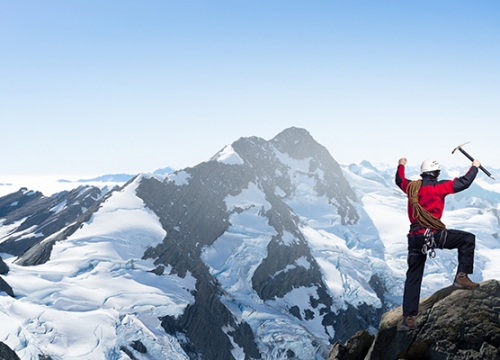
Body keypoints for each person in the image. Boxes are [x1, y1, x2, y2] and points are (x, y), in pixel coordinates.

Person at [395, 157, 481, 331]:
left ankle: (408, 319)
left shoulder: (411, 187)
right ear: (437, 173)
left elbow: (399, 180)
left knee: (413, 276)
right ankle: (461, 277)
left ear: (423, 173)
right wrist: (475, 167)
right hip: (433, 234)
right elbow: (463, 183)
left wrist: (401, 165)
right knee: (467, 239)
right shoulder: (439, 187)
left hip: (414, 237)